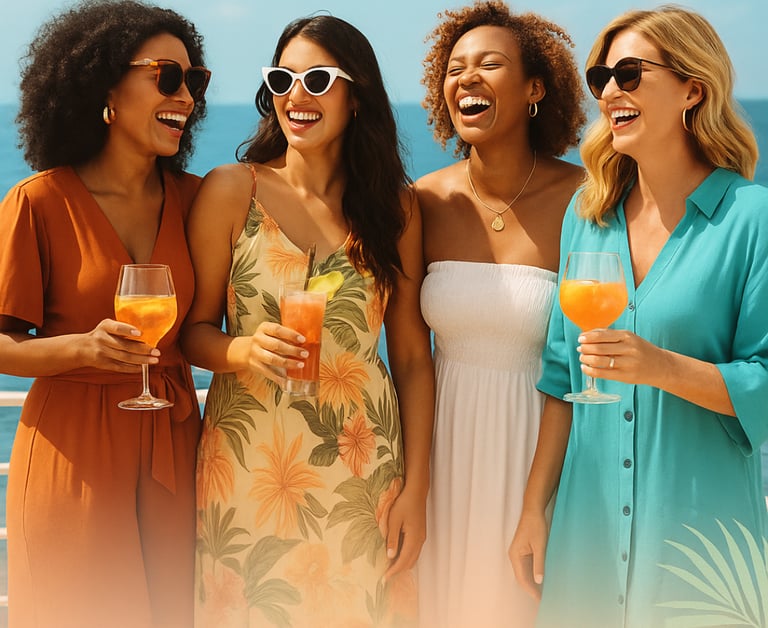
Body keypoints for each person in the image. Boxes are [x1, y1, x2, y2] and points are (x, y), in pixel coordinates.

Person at [509, 5, 768, 627]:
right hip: (587, 530)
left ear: (692, 89)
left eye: (630, 73)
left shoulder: (751, 218)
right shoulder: (587, 216)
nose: (610, 92)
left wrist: (660, 367)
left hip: (701, 540)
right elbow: (558, 382)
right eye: (602, 78)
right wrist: (533, 511)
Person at [180, 14, 434, 627]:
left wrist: (417, 489)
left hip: (362, 466)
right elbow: (190, 333)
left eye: (318, 79)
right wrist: (241, 352)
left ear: (357, 95)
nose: (297, 95)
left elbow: (411, 358)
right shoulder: (231, 189)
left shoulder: (395, 207)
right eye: (283, 78)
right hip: (251, 463)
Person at [0, 1, 210, 626]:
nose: (188, 97)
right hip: (74, 450)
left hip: (176, 438)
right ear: (105, 88)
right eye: (167, 77)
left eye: (194, 81)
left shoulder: (198, 198)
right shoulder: (38, 202)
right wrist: (80, 350)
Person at [414, 2, 586, 626]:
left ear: (535, 88)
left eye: (490, 64)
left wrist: (536, 503)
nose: (468, 78)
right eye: (455, 68)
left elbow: (579, 362)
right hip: (441, 453)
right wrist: (411, 485)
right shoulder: (423, 201)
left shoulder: (584, 200)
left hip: (541, 449)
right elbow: (407, 355)